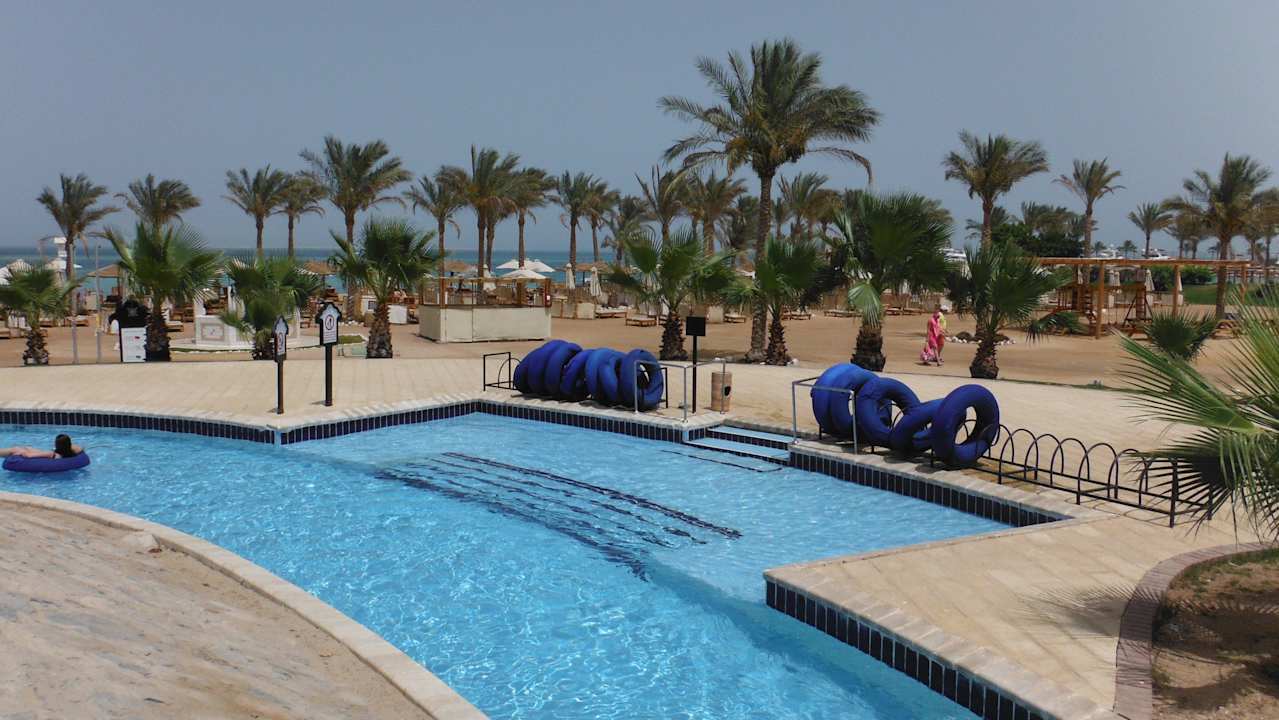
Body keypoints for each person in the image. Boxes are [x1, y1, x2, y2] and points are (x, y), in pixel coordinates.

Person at [0, 434, 82, 459]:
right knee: (28, 448)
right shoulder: (73, 452)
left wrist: (21, 453)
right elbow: (80, 448)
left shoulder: (51, 454)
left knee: (15, 449)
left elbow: (29, 456)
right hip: (53, 453)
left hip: (41, 457)